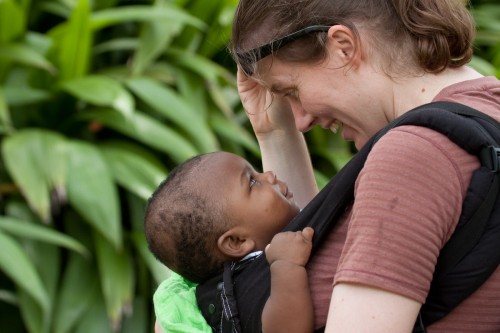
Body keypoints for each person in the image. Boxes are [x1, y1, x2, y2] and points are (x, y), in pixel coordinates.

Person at [230, 0, 500, 332]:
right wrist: (275, 135)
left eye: (293, 91)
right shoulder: (486, 115)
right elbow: (313, 242)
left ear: (343, 47)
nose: (300, 121)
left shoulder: (412, 155)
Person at [144, 151, 316, 333]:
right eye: (252, 183)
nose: (270, 175)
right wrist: (287, 267)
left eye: (256, 172)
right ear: (236, 242)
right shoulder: (239, 292)